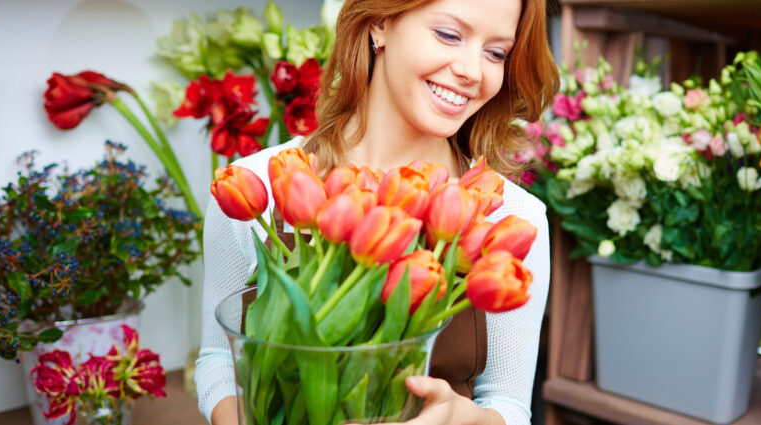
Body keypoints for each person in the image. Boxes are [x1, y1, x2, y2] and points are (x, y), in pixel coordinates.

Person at [195, 0, 559, 424]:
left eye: (496, 53)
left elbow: (509, 403)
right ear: (379, 23)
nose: (473, 71)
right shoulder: (266, 185)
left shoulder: (512, 218)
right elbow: (219, 360)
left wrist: (466, 419)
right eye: (448, 34)